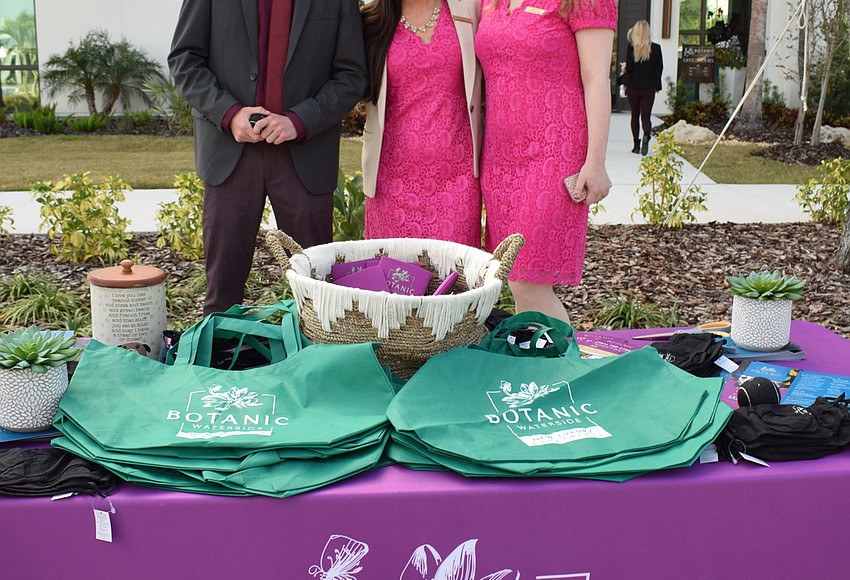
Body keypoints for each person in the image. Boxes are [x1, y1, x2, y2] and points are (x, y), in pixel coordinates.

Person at [168, 0, 368, 315]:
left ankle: (316, 360)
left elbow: (352, 76)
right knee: (222, 290)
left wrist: (299, 121)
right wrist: (229, 114)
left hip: (305, 155)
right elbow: (185, 60)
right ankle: (220, 357)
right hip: (230, 155)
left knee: (317, 290)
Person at [475, 0, 616, 323]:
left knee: (527, 280)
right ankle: (539, 363)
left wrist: (596, 161)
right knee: (514, 276)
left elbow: (597, 78)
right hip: (499, 159)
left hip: (555, 153)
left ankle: (565, 367)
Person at [361, 0, 483, 247]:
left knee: (454, 278)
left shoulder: (469, 10)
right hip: (391, 182)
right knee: (394, 278)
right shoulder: (369, 23)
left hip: (457, 182)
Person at [624, 19, 663, 155]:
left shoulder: (631, 48)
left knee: (634, 115)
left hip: (633, 87)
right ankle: (646, 135)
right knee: (645, 116)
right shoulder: (656, 48)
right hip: (649, 88)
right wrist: (657, 86)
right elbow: (659, 69)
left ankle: (636, 145)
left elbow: (629, 69)